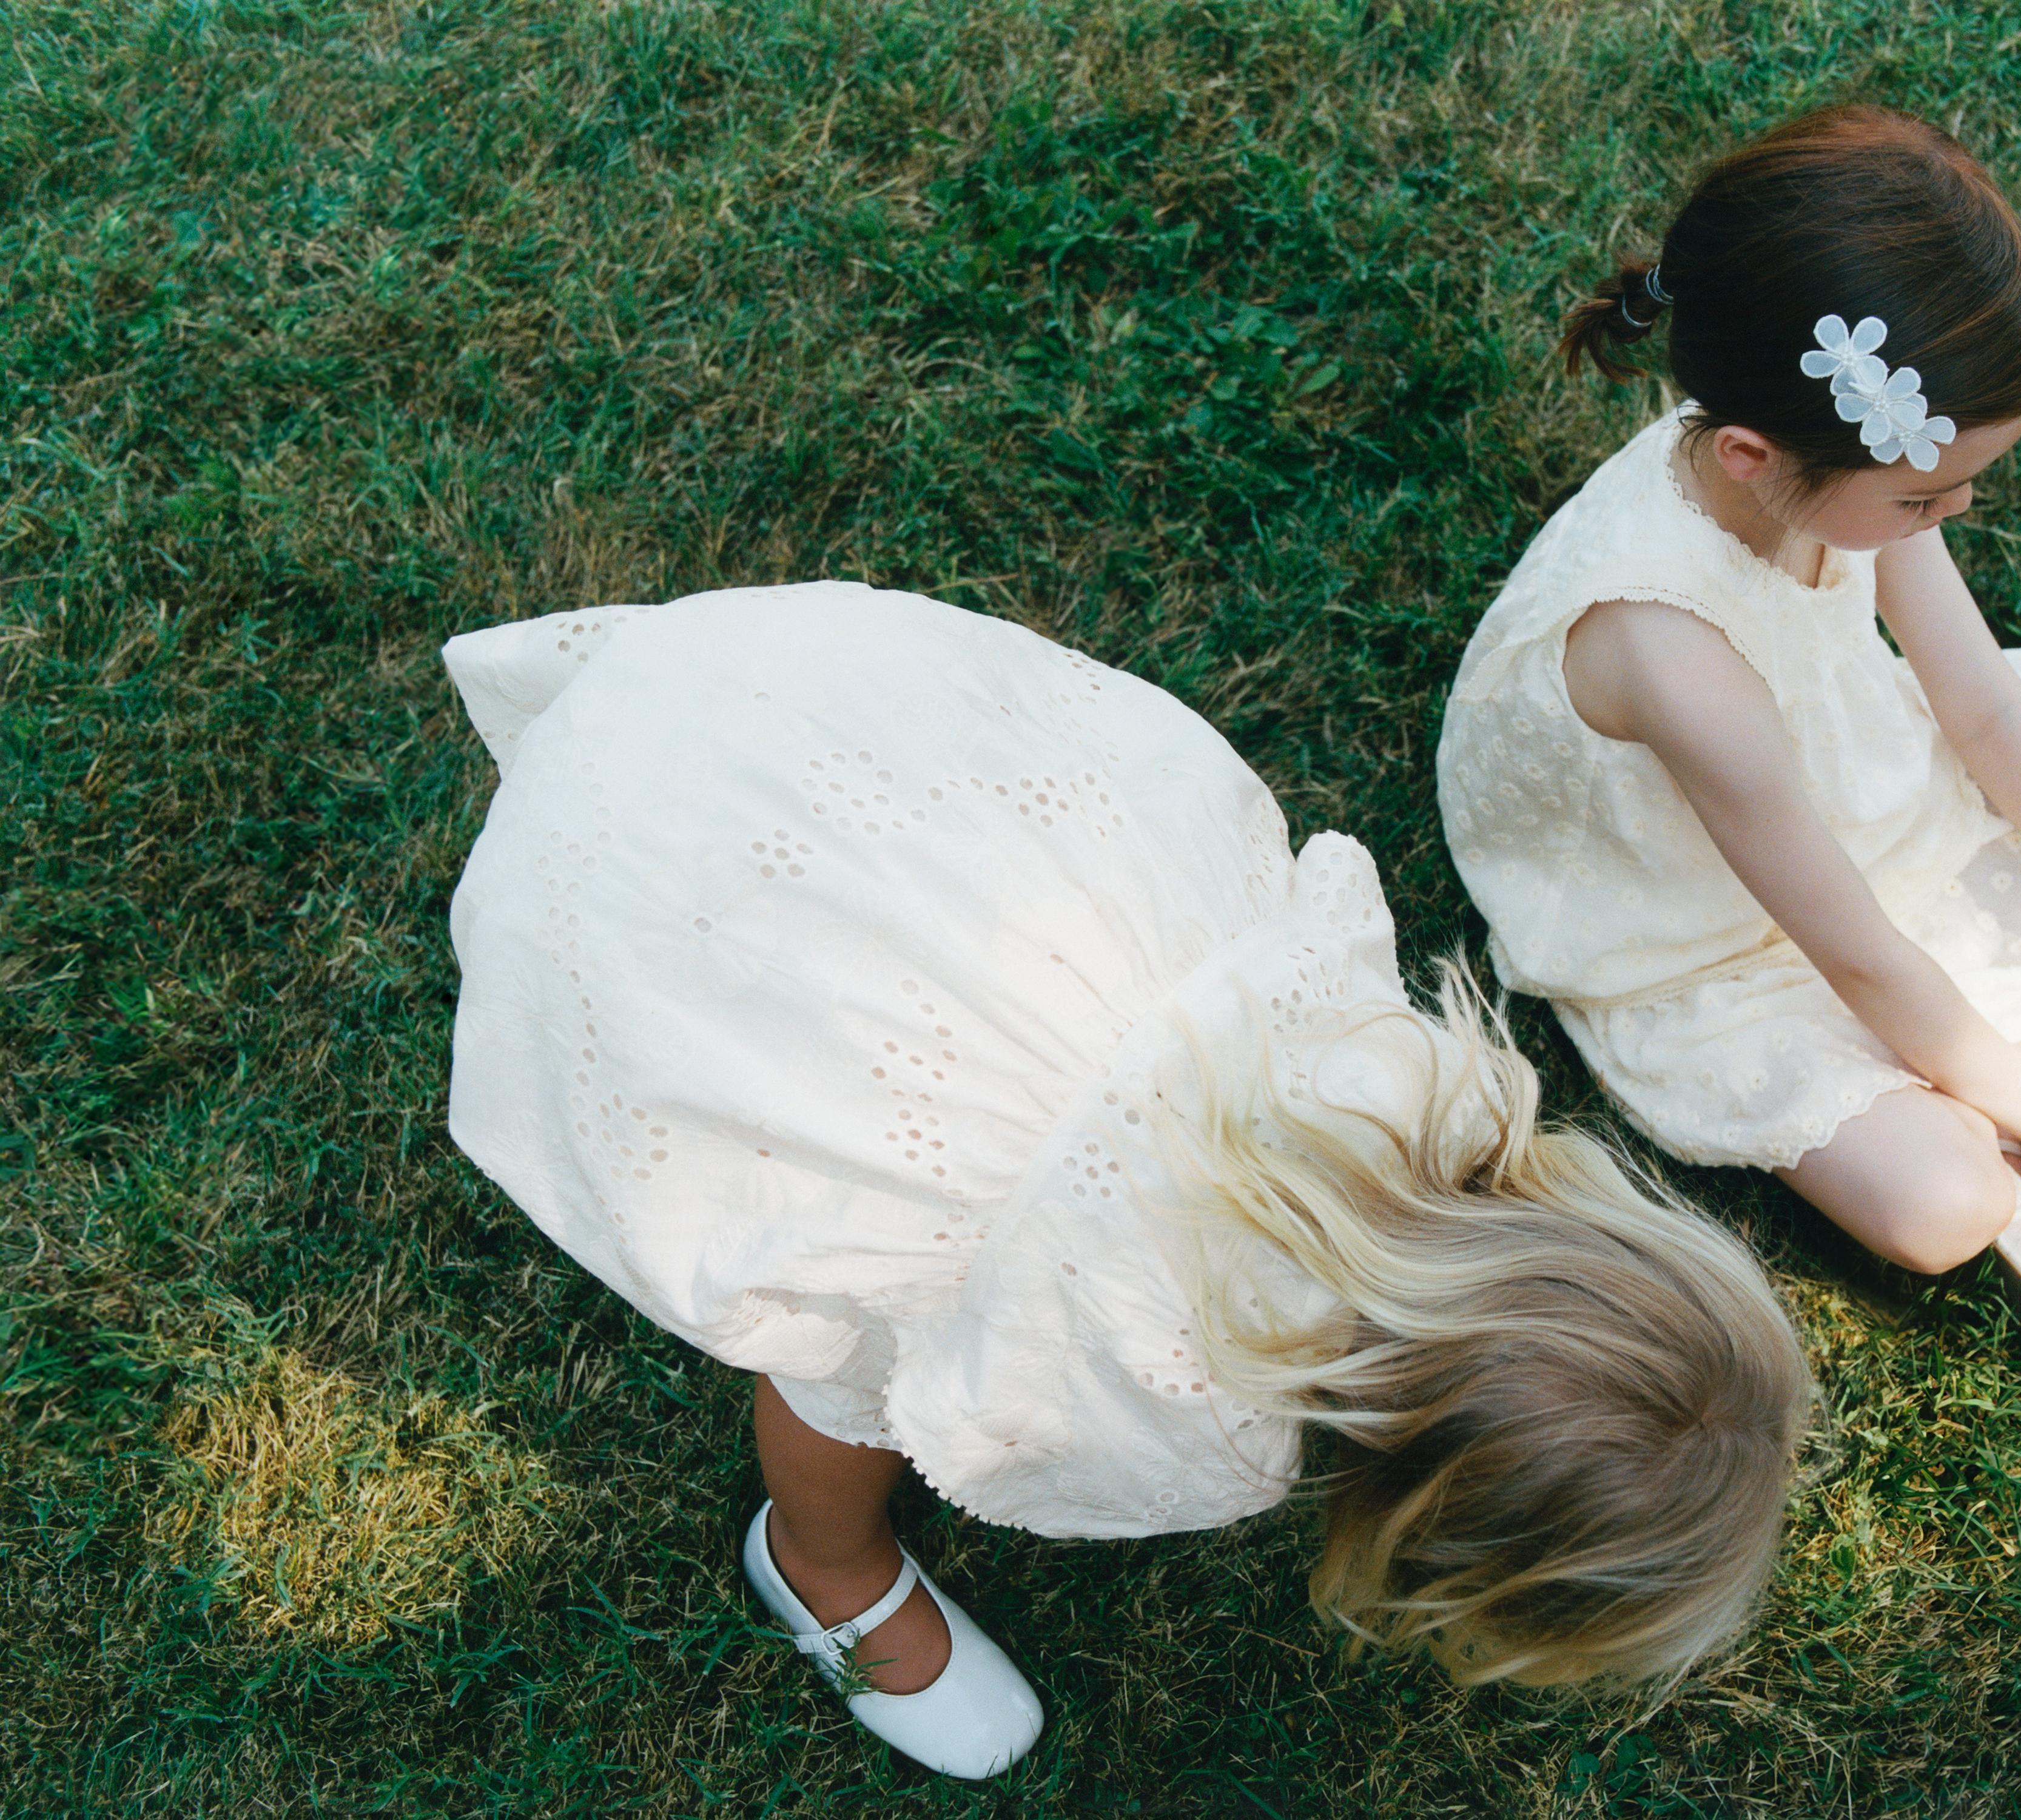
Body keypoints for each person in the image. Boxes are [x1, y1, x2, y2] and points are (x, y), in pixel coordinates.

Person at [442, 582, 1812, 1781]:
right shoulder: (1190, 1418)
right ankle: (822, 1562)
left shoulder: (1438, 1090)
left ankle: (659, 786)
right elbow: (962, 1391)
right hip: (742, 981)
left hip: (838, 745)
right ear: (1425, 1535)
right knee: (845, 1368)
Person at [1436, 106, 2021, 1340]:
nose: (1958, 511)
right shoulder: (1670, 657)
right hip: (1688, 921)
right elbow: (1854, 955)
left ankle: (2001, 1032)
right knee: (1941, 1206)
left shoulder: (1825, 481)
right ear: (1745, 455)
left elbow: (1980, 702)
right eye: (1927, 495)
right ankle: (1996, 1069)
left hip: (1822, 778)